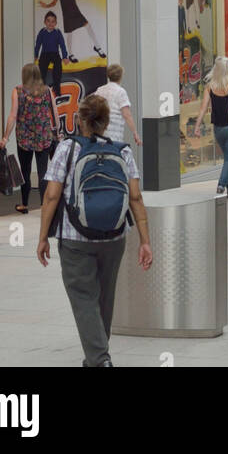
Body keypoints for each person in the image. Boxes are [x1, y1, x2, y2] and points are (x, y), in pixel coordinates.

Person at [37, 93, 152, 368]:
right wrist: (145, 241)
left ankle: (100, 359)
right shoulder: (123, 151)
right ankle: (97, 356)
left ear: (80, 120)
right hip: (114, 236)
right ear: (106, 121)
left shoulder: (67, 149)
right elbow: (135, 198)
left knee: (83, 297)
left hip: (75, 238)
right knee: (104, 296)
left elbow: (51, 196)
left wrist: (42, 237)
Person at [0, 63, 59, 214]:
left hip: (24, 137)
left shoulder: (18, 91)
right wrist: (58, 132)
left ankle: (25, 205)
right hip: (44, 137)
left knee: (25, 171)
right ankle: (43, 206)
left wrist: (6, 137)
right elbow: (55, 113)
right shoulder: (47, 91)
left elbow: (13, 115)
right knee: (43, 172)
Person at [193, 56, 228, 203]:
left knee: (227, 156)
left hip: (218, 129)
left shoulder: (210, 87)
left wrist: (197, 126)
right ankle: (221, 185)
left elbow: (203, 108)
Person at [39, 0, 106, 63]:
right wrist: (46, 5)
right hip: (67, 15)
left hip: (76, 13)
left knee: (88, 26)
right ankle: (70, 54)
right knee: (69, 35)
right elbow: (54, 3)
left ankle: (97, 47)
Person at [96, 65, 142, 147]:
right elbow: (127, 115)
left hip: (99, 133)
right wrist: (135, 133)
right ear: (121, 76)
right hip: (114, 135)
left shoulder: (99, 90)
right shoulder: (120, 92)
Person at [35, 12, 67, 94]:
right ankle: (41, 89)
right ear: (45, 22)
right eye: (48, 21)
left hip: (55, 53)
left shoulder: (57, 32)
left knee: (58, 67)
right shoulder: (42, 32)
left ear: (56, 23)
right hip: (45, 54)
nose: (50, 23)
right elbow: (38, 44)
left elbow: (62, 45)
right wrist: (36, 55)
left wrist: (64, 57)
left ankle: (57, 88)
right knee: (41, 69)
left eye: (53, 21)